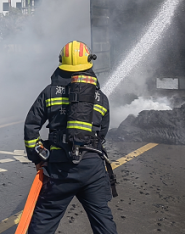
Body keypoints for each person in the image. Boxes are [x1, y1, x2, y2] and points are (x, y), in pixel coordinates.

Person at [24, 40, 118, 234]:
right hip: (93, 169)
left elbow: (31, 126)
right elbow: (102, 134)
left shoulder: (49, 93)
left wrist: (38, 157)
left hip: (60, 169)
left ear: (62, 64)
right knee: (103, 219)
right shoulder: (101, 97)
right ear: (89, 63)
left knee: (45, 217)